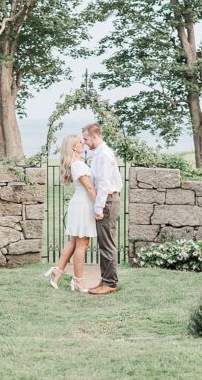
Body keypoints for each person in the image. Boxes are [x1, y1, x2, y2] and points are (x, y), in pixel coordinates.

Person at [43, 135, 97, 292]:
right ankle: (79, 281)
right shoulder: (78, 165)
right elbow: (89, 188)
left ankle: (57, 271)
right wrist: (100, 206)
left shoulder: (76, 164)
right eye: (80, 142)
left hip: (78, 204)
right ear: (74, 147)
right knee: (82, 244)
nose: (83, 143)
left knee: (73, 242)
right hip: (83, 206)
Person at [84, 122, 123, 295]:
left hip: (108, 201)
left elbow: (104, 184)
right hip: (106, 200)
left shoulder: (104, 155)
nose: (84, 142)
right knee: (104, 243)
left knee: (107, 244)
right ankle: (105, 279)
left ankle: (110, 283)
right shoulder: (99, 154)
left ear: (95, 136)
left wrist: (98, 208)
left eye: (86, 139)